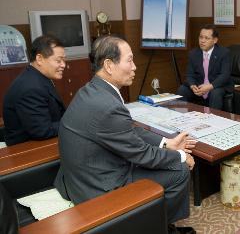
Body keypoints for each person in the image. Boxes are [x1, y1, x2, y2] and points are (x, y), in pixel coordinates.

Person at [54, 36, 196, 234]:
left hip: (81, 177)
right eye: (129, 60)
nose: (135, 66)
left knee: (164, 159)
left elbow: (127, 128)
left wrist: (166, 143)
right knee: (179, 170)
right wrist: (181, 155)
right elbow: (142, 155)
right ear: (109, 65)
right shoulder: (107, 105)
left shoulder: (91, 90)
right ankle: (159, 228)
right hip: (98, 187)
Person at [3, 35, 66, 146]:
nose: (63, 65)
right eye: (58, 60)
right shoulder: (30, 87)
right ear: (39, 59)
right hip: (25, 150)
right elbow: (42, 131)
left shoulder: (37, 76)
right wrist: (75, 122)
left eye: (64, 60)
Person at [177, 24, 233, 110]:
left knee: (215, 93)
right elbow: (189, 74)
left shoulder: (224, 53)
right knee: (182, 90)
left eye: (206, 38)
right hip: (199, 86)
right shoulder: (193, 53)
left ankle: (213, 120)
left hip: (217, 86)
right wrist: (193, 86)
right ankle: (181, 117)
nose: (202, 41)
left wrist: (209, 86)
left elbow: (225, 75)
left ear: (215, 40)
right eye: (201, 37)